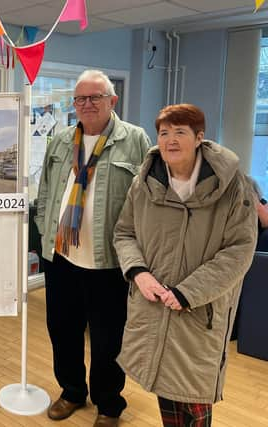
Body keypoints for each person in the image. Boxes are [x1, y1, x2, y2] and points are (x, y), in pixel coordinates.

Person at [113, 104, 257, 427]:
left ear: (199, 138)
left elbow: (240, 250)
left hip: (198, 312)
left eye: (180, 132)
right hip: (152, 309)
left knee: (194, 405)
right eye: (164, 133)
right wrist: (139, 272)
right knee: (167, 393)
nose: (171, 140)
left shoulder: (233, 187)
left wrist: (187, 292)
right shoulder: (145, 183)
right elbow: (124, 233)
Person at [35, 70, 150, 427]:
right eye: (80, 99)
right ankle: (71, 391)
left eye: (94, 98)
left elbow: (149, 200)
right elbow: (44, 193)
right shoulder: (61, 141)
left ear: (112, 101)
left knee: (108, 340)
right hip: (62, 257)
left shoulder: (136, 140)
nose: (86, 104)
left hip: (109, 262)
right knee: (63, 331)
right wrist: (44, 233)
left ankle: (108, 403)